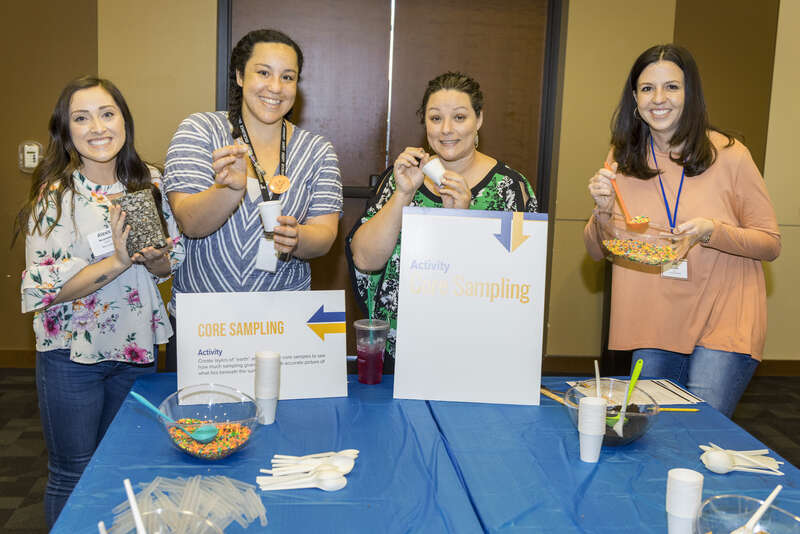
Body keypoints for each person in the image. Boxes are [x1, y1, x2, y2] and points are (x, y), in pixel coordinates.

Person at [16, 76, 183, 528]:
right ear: (65, 131)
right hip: (72, 354)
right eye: (81, 117)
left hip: (137, 349)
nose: (97, 127)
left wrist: (156, 260)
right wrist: (118, 260)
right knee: (72, 472)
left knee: (126, 468)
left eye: (107, 113)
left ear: (123, 120)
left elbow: (166, 270)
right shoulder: (55, 195)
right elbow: (47, 291)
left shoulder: (151, 182)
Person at [584, 44, 780, 418]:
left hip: (723, 316)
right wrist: (603, 209)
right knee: (654, 437)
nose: (659, 99)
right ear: (634, 98)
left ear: (690, 94)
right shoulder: (621, 158)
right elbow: (597, 250)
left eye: (671, 87)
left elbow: (770, 243)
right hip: (654, 320)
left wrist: (711, 231)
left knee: (700, 430)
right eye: (647, 88)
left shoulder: (730, 155)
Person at [163, 29, 342, 371]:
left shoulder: (318, 151)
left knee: (283, 423)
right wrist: (229, 191)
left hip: (283, 322)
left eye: (287, 77)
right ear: (239, 76)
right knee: (203, 425)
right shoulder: (200, 131)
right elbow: (189, 222)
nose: (275, 87)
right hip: (205, 325)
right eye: (263, 72)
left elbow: (325, 234)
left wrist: (299, 237)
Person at [347, 71, 538, 365]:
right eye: (436, 118)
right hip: (400, 349)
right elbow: (365, 259)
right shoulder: (403, 176)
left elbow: (519, 283)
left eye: (460, 117)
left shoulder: (510, 188)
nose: (447, 129)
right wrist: (403, 195)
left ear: (479, 120)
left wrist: (460, 220)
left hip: (477, 350)